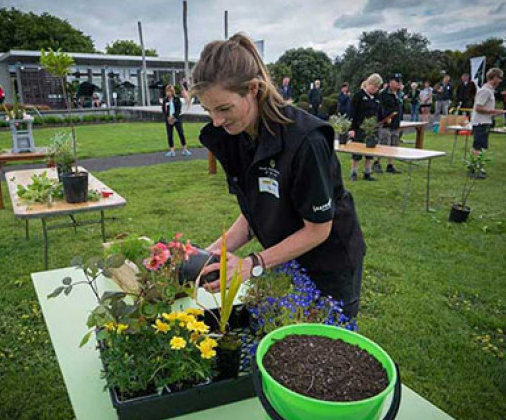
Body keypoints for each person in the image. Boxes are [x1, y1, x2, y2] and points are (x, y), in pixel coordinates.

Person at [193, 34, 366, 317]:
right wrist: (206, 255)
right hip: (283, 255)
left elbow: (318, 229)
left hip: (329, 260)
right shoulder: (238, 135)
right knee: (283, 336)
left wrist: (253, 263)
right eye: (208, 109)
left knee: (322, 345)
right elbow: (254, 212)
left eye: (224, 108)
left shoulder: (306, 141)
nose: (217, 120)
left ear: (253, 89)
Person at [348, 73, 383, 182]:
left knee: (370, 151)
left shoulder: (377, 97)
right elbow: (352, 112)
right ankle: (354, 172)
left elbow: (379, 111)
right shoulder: (358, 95)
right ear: (369, 84)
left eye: (378, 87)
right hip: (359, 128)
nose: (376, 89)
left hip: (372, 129)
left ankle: (367, 172)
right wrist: (351, 129)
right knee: (357, 151)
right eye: (374, 86)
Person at [471, 68, 504, 163]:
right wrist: (493, 111)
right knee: (478, 146)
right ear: (493, 78)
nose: (500, 81)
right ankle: (475, 167)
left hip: (485, 122)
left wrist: (495, 112)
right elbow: (478, 108)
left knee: (482, 146)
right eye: (499, 78)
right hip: (480, 123)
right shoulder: (485, 91)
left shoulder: (490, 91)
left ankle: (479, 165)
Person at [373, 73, 402, 174]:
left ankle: (390, 165)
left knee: (394, 143)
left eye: (399, 81)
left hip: (395, 122)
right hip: (385, 122)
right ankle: (376, 163)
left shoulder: (398, 94)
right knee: (383, 142)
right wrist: (385, 117)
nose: (399, 83)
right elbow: (380, 108)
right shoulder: (383, 94)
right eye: (396, 81)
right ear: (390, 82)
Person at [161, 84, 190, 157]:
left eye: (169, 91)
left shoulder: (177, 99)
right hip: (168, 120)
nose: (168, 93)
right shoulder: (165, 100)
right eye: (167, 91)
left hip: (177, 119)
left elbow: (178, 110)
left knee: (181, 133)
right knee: (170, 135)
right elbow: (164, 110)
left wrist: (173, 117)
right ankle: (172, 150)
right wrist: (168, 118)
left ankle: (185, 149)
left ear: (172, 91)